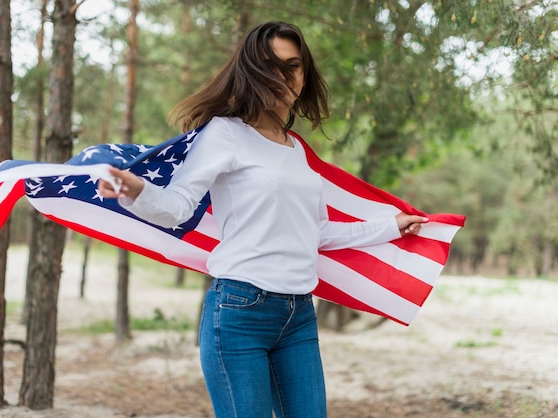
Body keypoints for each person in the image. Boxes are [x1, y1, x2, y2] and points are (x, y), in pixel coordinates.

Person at [99, 21, 427, 418]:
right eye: (270, 66)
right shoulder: (225, 133)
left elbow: (317, 231)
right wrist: (135, 191)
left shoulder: (296, 151)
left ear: (304, 73)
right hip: (240, 312)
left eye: (292, 66)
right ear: (252, 72)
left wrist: (391, 225)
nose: (283, 77)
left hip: (298, 316)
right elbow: (178, 208)